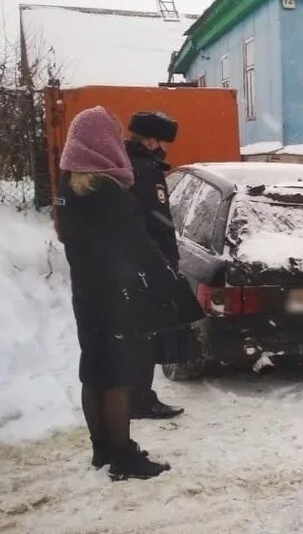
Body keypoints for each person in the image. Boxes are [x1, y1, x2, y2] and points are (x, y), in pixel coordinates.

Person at [56, 106, 189, 479]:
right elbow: (140, 247)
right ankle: (124, 457)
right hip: (117, 296)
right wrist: (165, 286)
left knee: (94, 371)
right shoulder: (108, 193)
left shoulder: (69, 187)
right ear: (101, 144)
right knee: (118, 377)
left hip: (87, 293)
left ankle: (101, 450)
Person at [125, 111, 185, 420]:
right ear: (150, 141)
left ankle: (136, 396)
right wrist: (165, 265)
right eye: (163, 142)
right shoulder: (145, 171)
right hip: (148, 266)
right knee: (146, 335)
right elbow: (156, 224)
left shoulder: (128, 165)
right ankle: (140, 400)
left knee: (140, 334)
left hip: (136, 264)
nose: (165, 149)